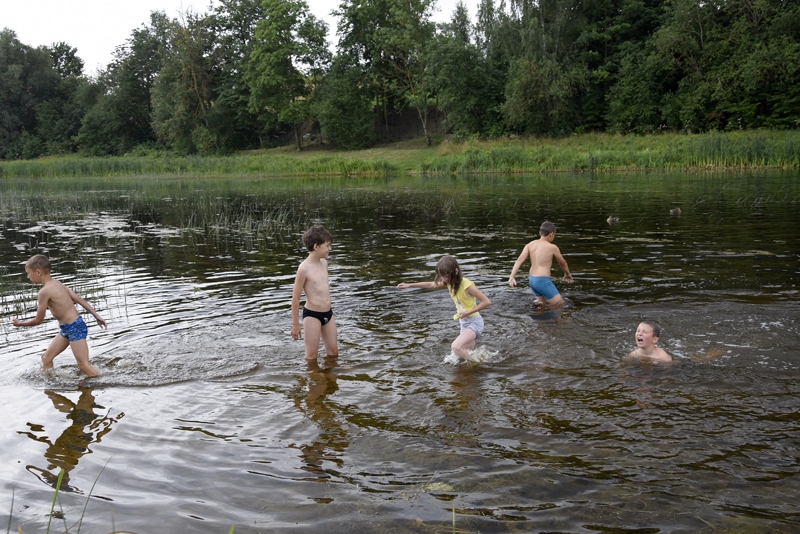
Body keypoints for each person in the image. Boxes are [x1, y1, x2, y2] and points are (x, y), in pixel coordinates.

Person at [12, 255, 107, 377]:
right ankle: (51, 384)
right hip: (68, 328)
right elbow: (78, 299)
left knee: (83, 365)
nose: (28, 277)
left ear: (38, 272)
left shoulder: (44, 292)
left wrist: (20, 324)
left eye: (28, 273)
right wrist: (97, 316)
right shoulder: (57, 283)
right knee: (46, 358)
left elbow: (39, 320)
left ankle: (105, 381)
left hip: (74, 327)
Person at [398, 256, 491, 361]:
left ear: (456, 271)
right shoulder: (450, 284)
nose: (443, 280)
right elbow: (431, 284)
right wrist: (409, 285)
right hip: (464, 323)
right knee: (465, 354)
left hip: (474, 322)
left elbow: (486, 301)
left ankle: (477, 364)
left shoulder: (467, 285)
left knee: (455, 347)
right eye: (441, 276)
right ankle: (474, 366)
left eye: (445, 276)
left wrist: (468, 312)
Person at [291, 226, 339, 360]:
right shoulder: (304, 269)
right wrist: (295, 325)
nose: (330, 249)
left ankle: (331, 377)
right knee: (311, 356)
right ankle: (313, 378)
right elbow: (295, 299)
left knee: (333, 352)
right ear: (316, 246)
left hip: (328, 313)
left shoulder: (324, 263)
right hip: (312, 315)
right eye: (327, 245)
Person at [508, 220, 573, 307]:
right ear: (551, 234)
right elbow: (563, 262)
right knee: (561, 305)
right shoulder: (552, 247)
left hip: (532, 280)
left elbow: (519, 260)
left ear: (540, 233)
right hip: (543, 281)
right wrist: (567, 273)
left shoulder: (530, 245)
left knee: (543, 305)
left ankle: (539, 320)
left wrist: (512, 276)